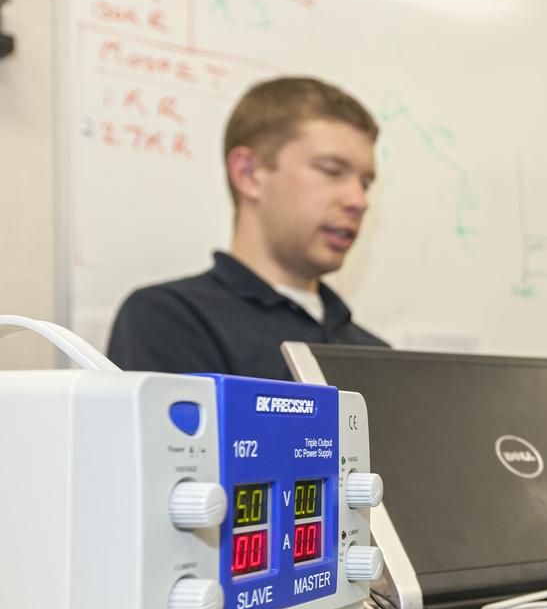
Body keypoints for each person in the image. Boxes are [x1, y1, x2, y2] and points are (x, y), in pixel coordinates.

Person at [107, 76, 385, 381]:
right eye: (331, 171)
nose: (358, 200)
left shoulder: (377, 355)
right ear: (248, 174)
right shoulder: (169, 319)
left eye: (365, 183)